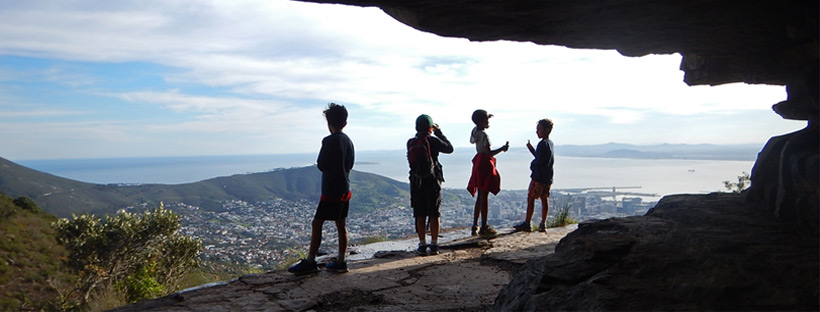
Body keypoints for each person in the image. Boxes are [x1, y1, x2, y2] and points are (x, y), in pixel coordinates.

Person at [288, 103, 355, 275]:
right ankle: (341, 260)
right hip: (345, 188)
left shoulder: (328, 140)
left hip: (331, 190)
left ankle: (310, 261)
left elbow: (321, 164)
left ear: (328, 123)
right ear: (345, 123)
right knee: (341, 224)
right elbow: (350, 164)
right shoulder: (348, 141)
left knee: (317, 223)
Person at [407, 114, 453, 256]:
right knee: (434, 213)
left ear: (416, 127)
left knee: (419, 214)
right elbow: (450, 148)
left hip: (417, 181)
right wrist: (439, 133)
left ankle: (422, 244)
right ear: (430, 128)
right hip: (433, 180)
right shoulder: (433, 141)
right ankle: (434, 245)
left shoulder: (410, 142)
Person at [466, 109, 509, 236]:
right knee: (484, 196)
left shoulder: (474, 132)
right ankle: (484, 226)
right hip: (485, 164)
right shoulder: (484, 135)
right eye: (486, 119)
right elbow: (488, 152)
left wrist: (485, 117)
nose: (488, 121)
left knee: (480, 196)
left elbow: (477, 127)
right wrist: (502, 148)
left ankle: (475, 225)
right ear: (480, 121)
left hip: (478, 162)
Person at [514, 118, 555, 233]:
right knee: (544, 199)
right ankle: (543, 223)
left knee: (531, 198)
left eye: (539, 129)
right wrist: (532, 149)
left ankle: (527, 223)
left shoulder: (542, 144)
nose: (537, 132)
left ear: (547, 130)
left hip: (539, 177)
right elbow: (542, 157)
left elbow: (540, 160)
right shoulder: (550, 143)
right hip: (547, 177)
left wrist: (533, 164)